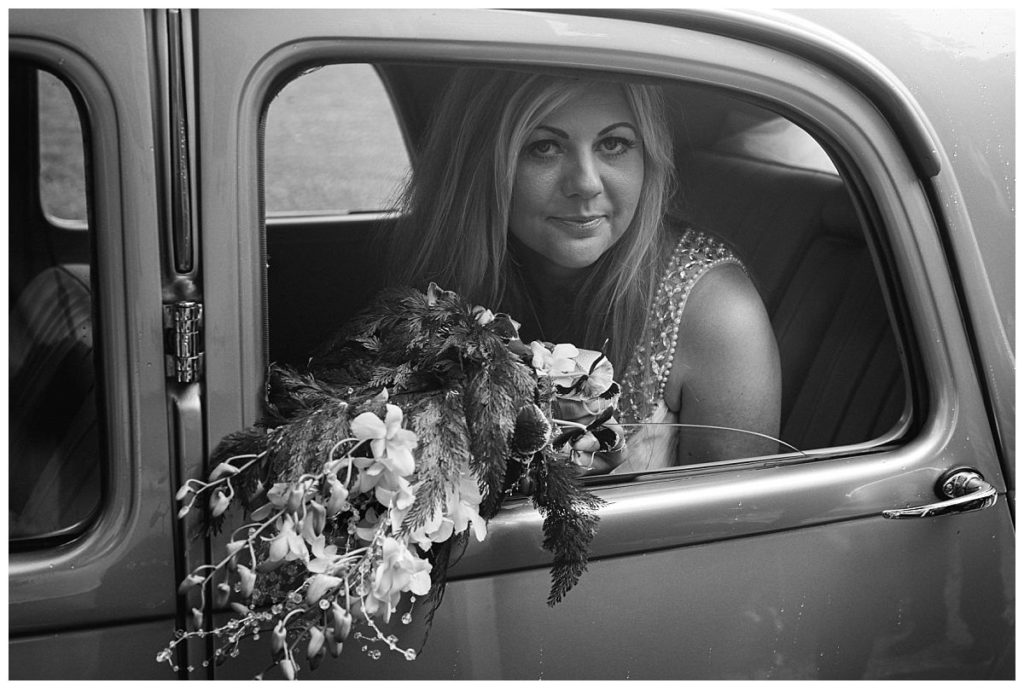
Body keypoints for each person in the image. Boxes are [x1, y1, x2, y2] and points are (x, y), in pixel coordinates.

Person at [384, 67, 781, 473]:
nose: (586, 183)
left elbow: (739, 526)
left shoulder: (718, 313)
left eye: (613, 143)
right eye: (544, 147)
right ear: (483, 162)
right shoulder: (446, 280)